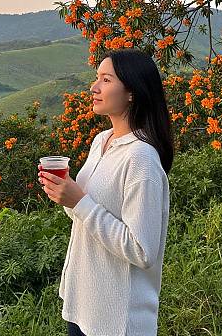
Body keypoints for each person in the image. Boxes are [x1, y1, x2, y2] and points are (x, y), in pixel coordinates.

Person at [38, 48, 174, 336]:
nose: (94, 87)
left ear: (132, 93)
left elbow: (141, 250)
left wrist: (79, 201)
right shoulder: (102, 141)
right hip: (82, 304)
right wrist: (66, 195)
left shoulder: (141, 159)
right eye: (96, 78)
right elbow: (86, 212)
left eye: (106, 80)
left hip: (117, 320)